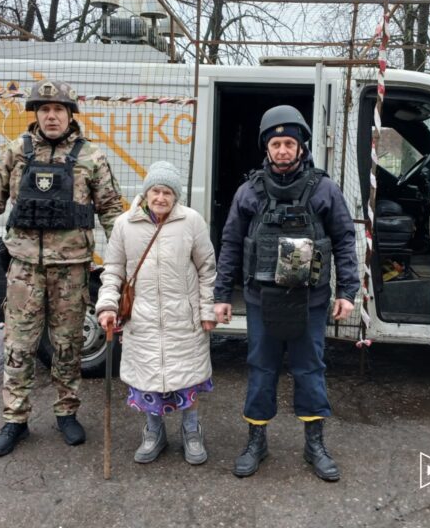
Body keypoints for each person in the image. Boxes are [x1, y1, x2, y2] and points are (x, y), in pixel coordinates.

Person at [0, 79, 124, 457]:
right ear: (35, 114)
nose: (51, 116)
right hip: (24, 268)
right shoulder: (16, 152)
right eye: (44, 109)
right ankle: (15, 419)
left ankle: (67, 412)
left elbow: (112, 212)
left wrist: (124, 264)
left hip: (72, 270)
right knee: (19, 346)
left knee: (68, 345)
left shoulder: (91, 157)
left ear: (70, 115)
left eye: (58, 109)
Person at [214, 104, 359, 481]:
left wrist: (348, 292)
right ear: (266, 147)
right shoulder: (248, 192)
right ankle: (256, 442)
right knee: (261, 369)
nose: (282, 150)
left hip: (310, 301)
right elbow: (231, 244)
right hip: (262, 301)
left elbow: (344, 239)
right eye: (276, 144)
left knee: (310, 370)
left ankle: (315, 444)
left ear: (301, 146)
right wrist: (221, 296)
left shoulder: (324, 189)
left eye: (289, 144)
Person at [96, 161, 217, 466]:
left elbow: (207, 268)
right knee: (147, 379)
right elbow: (113, 270)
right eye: (156, 191)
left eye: (167, 193)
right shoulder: (125, 224)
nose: (161, 198)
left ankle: (191, 431)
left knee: (187, 379)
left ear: (176, 196)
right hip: (143, 318)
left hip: (183, 319)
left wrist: (206, 311)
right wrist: (108, 305)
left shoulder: (192, 221)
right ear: (146, 192)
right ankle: (154, 432)